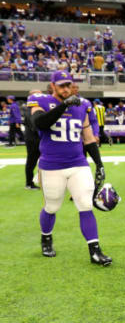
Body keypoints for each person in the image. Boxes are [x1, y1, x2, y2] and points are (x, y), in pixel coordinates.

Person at [28, 70, 112, 266]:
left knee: (85, 204)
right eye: (62, 85)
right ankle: (46, 238)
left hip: (78, 163)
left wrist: (98, 163)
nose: (66, 89)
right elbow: (39, 123)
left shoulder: (82, 104)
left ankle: (95, 251)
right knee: (52, 206)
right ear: (53, 86)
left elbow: (88, 138)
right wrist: (63, 105)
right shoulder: (40, 100)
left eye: (68, 85)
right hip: (51, 165)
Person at [24, 90, 42, 190]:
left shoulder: (35, 108)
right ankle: (29, 183)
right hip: (33, 140)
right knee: (32, 161)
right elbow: (35, 126)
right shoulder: (29, 110)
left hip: (37, 139)